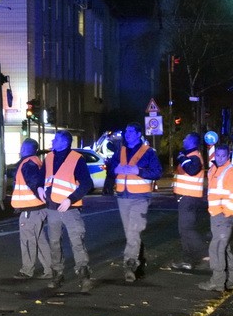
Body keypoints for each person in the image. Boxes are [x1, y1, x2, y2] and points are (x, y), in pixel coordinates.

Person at [38, 130, 94, 291]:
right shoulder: (49, 157)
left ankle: (84, 277)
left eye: (55, 139)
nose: (52, 141)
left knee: (76, 242)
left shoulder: (77, 159)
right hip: (52, 208)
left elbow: (86, 183)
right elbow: (42, 178)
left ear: (64, 142)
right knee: (55, 243)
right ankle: (57, 275)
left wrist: (70, 199)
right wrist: (39, 187)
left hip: (70, 209)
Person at [107, 122, 162, 283]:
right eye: (126, 131)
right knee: (131, 233)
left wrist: (138, 171)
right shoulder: (121, 151)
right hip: (123, 196)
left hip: (140, 198)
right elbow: (110, 170)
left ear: (138, 134)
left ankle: (129, 266)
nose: (127, 134)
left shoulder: (148, 152)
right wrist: (114, 170)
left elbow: (157, 172)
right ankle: (140, 262)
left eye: (131, 131)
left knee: (133, 232)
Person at [199, 144, 233, 293]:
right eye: (217, 155)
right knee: (223, 248)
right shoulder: (213, 170)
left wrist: (226, 213)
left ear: (228, 156)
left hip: (223, 216)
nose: (219, 158)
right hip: (216, 215)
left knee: (217, 248)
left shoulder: (231, 172)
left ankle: (217, 282)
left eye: (222, 156)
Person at [10, 138, 51, 279]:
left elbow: (33, 181)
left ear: (23, 149)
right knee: (40, 240)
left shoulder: (27, 164)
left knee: (28, 240)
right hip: (38, 208)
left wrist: (37, 189)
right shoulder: (36, 162)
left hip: (30, 210)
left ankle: (27, 270)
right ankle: (49, 270)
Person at [170, 132, 206, 271]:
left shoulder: (194, 156)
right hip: (187, 198)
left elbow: (191, 170)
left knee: (186, 229)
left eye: (185, 138)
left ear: (192, 141)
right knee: (184, 230)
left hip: (189, 198)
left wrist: (182, 158)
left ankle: (205, 254)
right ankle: (188, 260)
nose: (183, 139)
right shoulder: (190, 156)